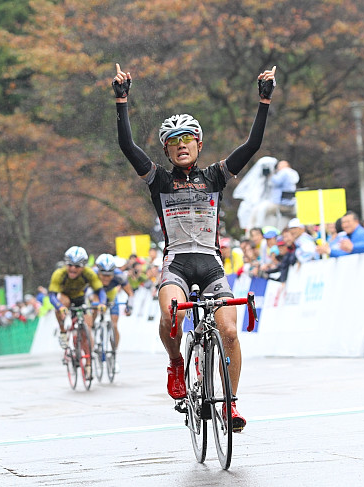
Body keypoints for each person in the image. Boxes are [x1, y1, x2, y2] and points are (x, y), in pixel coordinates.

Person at [113, 61, 277, 432]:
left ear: (198, 145)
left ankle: (230, 404)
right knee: (172, 315)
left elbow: (252, 145)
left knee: (231, 333)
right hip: (176, 266)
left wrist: (263, 102)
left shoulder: (216, 175)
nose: (181, 146)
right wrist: (121, 98)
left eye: (187, 140)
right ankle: (175, 364)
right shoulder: (158, 179)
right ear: (167, 152)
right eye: (173, 142)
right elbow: (127, 145)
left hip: (211, 265)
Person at [48, 246, 107, 354]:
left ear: (83, 266)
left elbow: (100, 291)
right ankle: (63, 332)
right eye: (70, 265)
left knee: (87, 330)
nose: (73, 269)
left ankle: (89, 360)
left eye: (77, 266)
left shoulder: (89, 273)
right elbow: (52, 295)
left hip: (81, 298)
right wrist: (60, 307)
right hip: (66, 297)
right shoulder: (59, 274)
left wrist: (102, 303)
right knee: (62, 303)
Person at [94, 253, 134, 360]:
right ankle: (92, 334)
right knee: (91, 315)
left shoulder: (119, 275)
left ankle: (114, 352)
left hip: (112, 296)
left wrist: (129, 306)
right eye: (103, 275)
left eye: (109, 275)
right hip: (96, 296)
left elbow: (130, 294)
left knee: (114, 325)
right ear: (98, 271)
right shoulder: (92, 274)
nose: (106, 278)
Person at [262, 159, 299, 228]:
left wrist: (270, 175)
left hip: (281, 202)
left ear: (287, 165)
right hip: (289, 201)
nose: (279, 167)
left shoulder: (285, 172)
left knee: (264, 211)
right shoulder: (292, 173)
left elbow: (276, 181)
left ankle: (265, 227)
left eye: (280, 165)